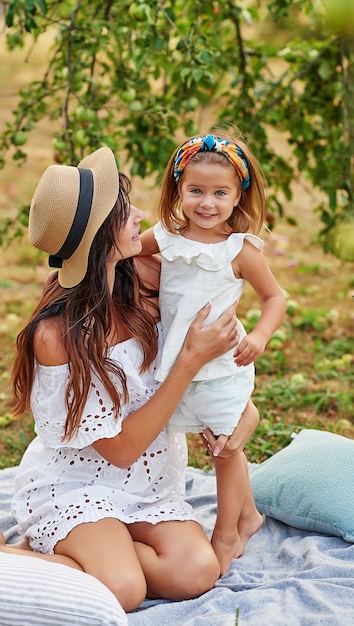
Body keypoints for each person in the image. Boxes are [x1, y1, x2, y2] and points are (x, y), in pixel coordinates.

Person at [0, 146, 259, 612]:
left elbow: (220, 361)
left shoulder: (150, 279)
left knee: (196, 572)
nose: (142, 217)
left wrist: (241, 414)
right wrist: (188, 361)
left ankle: (76, 552)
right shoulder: (57, 334)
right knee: (123, 589)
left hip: (147, 487)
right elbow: (120, 447)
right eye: (125, 212)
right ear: (101, 236)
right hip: (76, 487)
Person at [139, 128, 286, 575]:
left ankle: (227, 533)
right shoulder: (166, 236)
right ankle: (249, 515)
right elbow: (124, 251)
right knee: (216, 443)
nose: (207, 203)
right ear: (178, 189)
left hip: (223, 364)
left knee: (225, 449)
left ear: (238, 196)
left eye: (220, 193)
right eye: (195, 190)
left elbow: (275, 298)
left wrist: (259, 336)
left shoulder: (239, 250)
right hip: (180, 364)